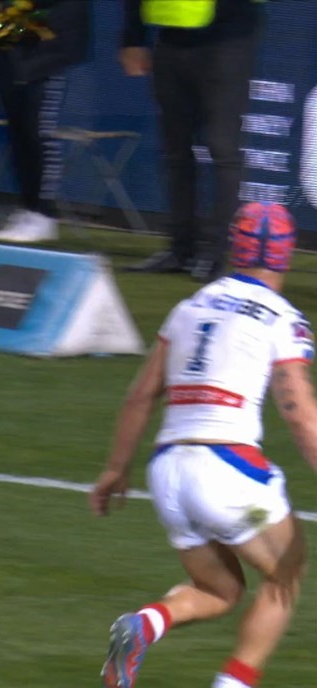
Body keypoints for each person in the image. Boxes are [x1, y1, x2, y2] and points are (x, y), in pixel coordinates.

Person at [89, 202, 315, 688]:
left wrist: (115, 469)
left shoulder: (191, 305)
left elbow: (142, 394)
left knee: (222, 588)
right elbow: (299, 412)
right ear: (287, 254)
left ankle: (144, 623)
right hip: (228, 466)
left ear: (233, 247)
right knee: (287, 571)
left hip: (168, 469)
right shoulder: (282, 317)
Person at [120, 0, 265, 282]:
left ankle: (215, 253)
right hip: (171, 38)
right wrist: (133, 38)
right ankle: (180, 249)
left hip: (228, 39)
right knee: (175, 152)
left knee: (223, 149)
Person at [0, 0, 91, 244]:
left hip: (47, 59)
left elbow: (70, 26)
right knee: (18, 134)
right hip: (10, 59)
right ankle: (30, 208)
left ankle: (44, 214)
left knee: (38, 134)